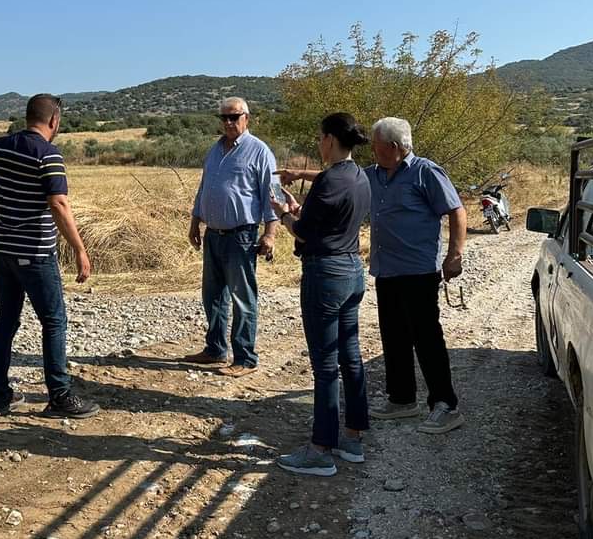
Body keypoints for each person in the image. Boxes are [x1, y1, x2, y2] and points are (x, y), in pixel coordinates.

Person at [278, 116, 467, 434]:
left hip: (418, 271)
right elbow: (337, 178)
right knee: (394, 336)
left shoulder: (426, 172)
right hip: (386, 269)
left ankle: (445, 405)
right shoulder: (375, 174)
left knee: (426, 339)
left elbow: (456, 210)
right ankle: (402, 399)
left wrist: (455, 254)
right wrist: (299, 174)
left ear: (394, 147)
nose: (372, 151)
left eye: (377, 147)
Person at [0, 94, 99, 418]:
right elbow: (58, 204)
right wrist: (80, 249)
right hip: (34, 252)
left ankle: (0, 395)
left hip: (1, 249)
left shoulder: (0, 146)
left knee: (6, 320)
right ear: (54, 120)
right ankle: (59, 396)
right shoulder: (48, 154)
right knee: (54, 321)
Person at [269, 113, 372, 477]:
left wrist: (284, 214)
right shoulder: (360, 175)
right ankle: (353, 438)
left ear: (329, 139)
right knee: (351, 357)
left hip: (325, 274)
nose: (317, 144)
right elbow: (326, 221)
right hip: (352, 270)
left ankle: (320, 450)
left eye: (319, 138)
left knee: (325, 365)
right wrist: (299, 210)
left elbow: (304, 233)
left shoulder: (329, 179)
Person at [183, 96, 279, 376]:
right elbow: (204, 188)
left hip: (242, 236)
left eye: (233, 117)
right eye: (223, 117)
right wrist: (195, 222)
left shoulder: (259, 151)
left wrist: (270, 234)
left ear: (246, 118)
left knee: (242, 299)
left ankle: (245, 358)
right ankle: (215, 349)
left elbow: (272, 195)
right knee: (212, 296)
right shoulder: (215, 150)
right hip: (213, 234)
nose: (228, 122)